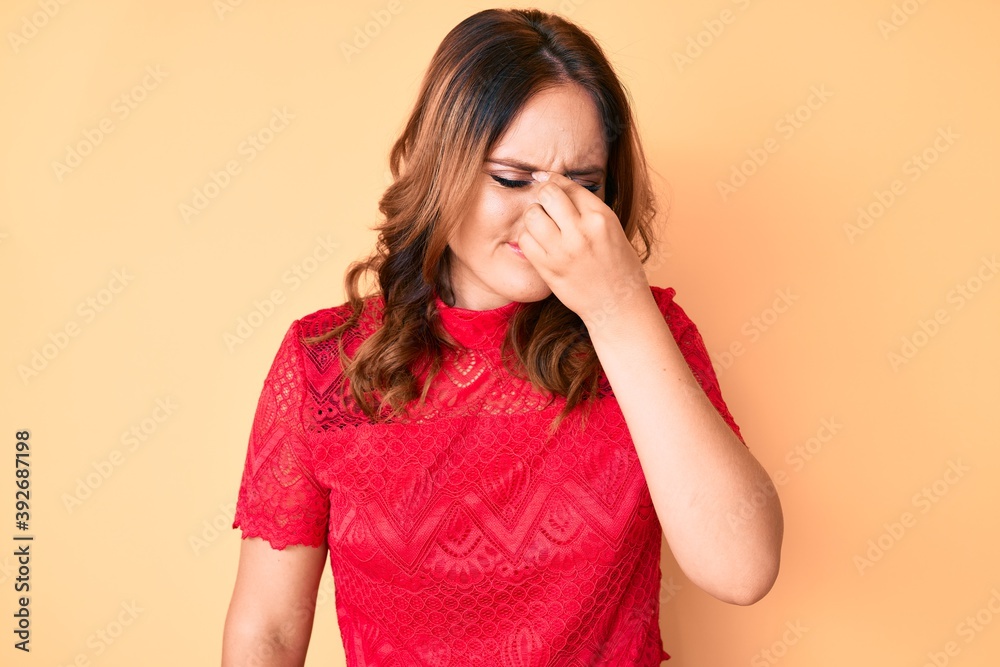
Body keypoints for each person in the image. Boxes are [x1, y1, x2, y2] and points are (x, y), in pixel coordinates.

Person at [222, 7, 783, 666]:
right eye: (513, 178)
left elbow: (742, 568)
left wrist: (617, 309)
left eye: (584, 184)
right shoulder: (324, 362)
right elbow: (268, 630)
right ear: (444, 169)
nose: (550, 212)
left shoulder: (649, 332)